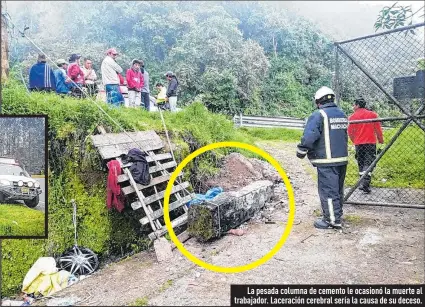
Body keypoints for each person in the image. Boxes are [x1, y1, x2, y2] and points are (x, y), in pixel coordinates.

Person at [296, 86, 348, 229]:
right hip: (342, 158)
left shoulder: (319, 115)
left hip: (327, 160)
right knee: (337, 190)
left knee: (328, 191)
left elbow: (310, 136)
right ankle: (336, 214)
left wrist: (301, 150)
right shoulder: (341, 114)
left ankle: (332, 220)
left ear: (318, 101)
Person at [348, 98, 384, 194]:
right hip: (370, 142)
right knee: (369, 162)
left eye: (354, 105)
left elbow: (350, 132)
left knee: (361, 162)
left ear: (358, 105)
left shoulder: (352, 117)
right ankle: (365, 184)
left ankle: (362, 183)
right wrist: (381, 140)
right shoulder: (372, 115)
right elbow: (378, 130)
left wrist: (354, 140)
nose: (353, 107)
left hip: (359, 143)